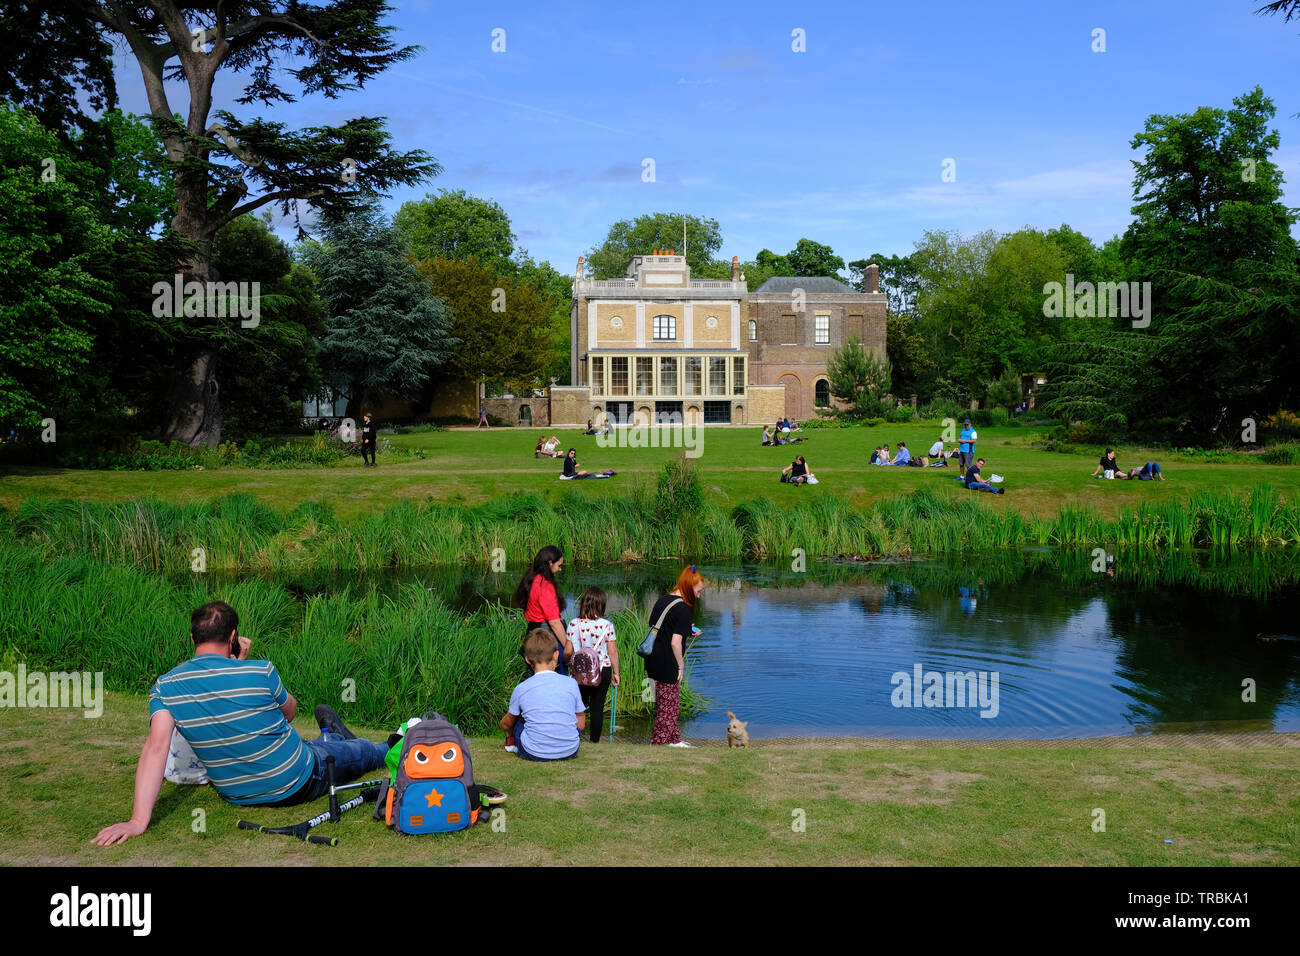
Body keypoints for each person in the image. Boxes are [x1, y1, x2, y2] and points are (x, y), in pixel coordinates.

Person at [93, 601, 389, 846]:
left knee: (322, 748)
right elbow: (290, 712)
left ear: (192, 639)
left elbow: (157, 748)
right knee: (362, 752)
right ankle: (385, 744)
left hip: (237, 793)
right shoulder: (261, 671)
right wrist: (243, 662)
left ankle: (333, 738)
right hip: (298, 779)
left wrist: (136, 821)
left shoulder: (165, 687)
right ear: (233, 636)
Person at [500, 628, 585, 761]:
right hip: (570, 750)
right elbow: (581, 722)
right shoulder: (571, 683)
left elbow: (507, 724)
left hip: (534, 752)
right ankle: (563, 743)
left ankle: (512, 742)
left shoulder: (521, 688)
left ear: (527, 660)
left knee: (517, 719)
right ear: (556, 655)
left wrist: (503, 725)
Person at [645, 566, 706, 747]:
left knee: (666, 704)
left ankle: (674, 740)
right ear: (689, 587)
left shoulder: (663, 600)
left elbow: (660, 627)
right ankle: (658, 744)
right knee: (668, 708)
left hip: (652, 659)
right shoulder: (683, 609)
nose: (699, 596)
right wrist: (680, 666)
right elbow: (674, 642)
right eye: (698, 591)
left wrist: (686, 628)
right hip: (667, 662)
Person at [567, 587, 620, 743]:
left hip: (579, 671)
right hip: (602, 669)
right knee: (597, 707)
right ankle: (595, 741)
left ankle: (574, 738)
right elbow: (613, 652)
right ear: (601, 605)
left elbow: (569, 650)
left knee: (578, 706)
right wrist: (616, 673)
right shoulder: (607, 625)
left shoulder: (573, 624)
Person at [511, 545, 572, 677]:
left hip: (533, 637)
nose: (560, 569)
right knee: (559, 680)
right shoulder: (545, 586)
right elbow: (554, 623)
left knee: (539, 679)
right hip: (548, 639)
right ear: (550, 563)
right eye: (559, 565)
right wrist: (567, 646)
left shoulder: (531, 579)